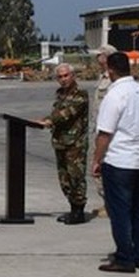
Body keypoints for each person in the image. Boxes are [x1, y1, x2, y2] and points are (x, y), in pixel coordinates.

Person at [90, 51, 139, 273]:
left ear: (110, 70)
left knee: (120, 212)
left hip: (121, 160)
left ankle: (124, 257)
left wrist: (97, 159)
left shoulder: (115, 94)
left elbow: (105, 133)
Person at [38, 63, 89, 224]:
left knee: (76, 177)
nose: (63, 79)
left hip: (75, 144)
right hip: (60, 141)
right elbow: (56, 113)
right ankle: (72, 208)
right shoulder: (60, 95)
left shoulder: (80, 95)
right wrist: (44, 120)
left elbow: (66, 114)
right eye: (60, 77)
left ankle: (79, 211)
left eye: (66, 75)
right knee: (64, 178)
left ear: (73, 76)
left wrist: (48, 121)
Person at [88, 44, 117, 216]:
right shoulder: (103, 77)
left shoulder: (113, 80)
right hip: (99, 128)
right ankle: (107, 202)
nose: (97, 59)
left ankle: (111, 204)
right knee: (99, 169)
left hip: (107, 132)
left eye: (99, 55)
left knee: (103, 167)